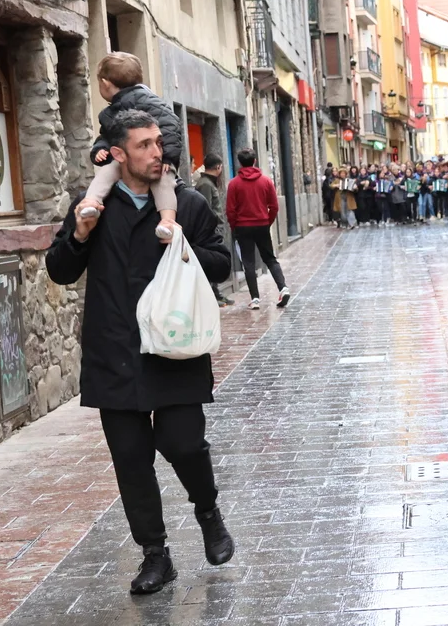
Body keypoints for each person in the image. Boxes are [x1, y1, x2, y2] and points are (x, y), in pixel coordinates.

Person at [45, 110, 235, 596]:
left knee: (183, 443)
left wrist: (180, 242)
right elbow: (60, 270)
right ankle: (155, 555)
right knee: (131, 460)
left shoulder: (186, 203)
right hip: (115, 351)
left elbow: (221, 263)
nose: (157, 152)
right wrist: (80, 234)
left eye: (158, 143)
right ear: (118, 153)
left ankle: (208, 512)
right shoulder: (93, 205)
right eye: (144, 145)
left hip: (173, 350)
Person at [78, 53, 182, 241]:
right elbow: (107, 136)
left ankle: (167, 222)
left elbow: (170, 125)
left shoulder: (148, 101)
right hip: (125, 161)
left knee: (164, 182)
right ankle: (91, 203)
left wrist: (168, 157)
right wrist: (100, 149)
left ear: (105, 84)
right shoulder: (110, 112)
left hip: (161, 163)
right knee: (107, 172)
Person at [225, 148, 290, 310]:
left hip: (242, 226)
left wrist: (234, 227)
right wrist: (267, 222)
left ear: (240, 163)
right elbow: (274, 206)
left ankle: (255, 299)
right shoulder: (266, 181)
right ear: (254, 161)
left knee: (248, 262)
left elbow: (230, 210)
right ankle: (283, 287)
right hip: (262, 225)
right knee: (270, 259)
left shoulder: (234, 184)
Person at [193, 154, 233, 307]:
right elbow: (206, 209)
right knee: (212, 261)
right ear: (218, 167)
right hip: (211, 231)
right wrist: (212, 228)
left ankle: (217, 293)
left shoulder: (209, 183)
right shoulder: (205, 185)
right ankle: (213, 295)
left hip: (215, 229)